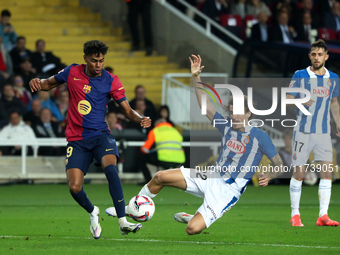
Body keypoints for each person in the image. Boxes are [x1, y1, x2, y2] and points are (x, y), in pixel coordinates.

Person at [106, 55, 284, 235]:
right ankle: (132, 207)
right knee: (160, 176)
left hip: (228, 191)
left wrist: (269, 175)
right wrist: (195, 76)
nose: (234, 116)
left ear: (248, 113)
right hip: (210, 175)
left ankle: (194, 218)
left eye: (238, 113)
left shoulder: (260, 136)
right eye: (231, 112)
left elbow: (279, 165)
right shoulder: (226, 126)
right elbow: (205, 106)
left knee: (192, 229)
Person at [29, 40, 151, 238]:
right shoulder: (71, 72)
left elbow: (127, 110)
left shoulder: (111, 80)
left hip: (101, 136)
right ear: (85, 58)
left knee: (111, 169)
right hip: (77, 140)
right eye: (94, 61)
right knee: (74, 187)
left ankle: (122, 221)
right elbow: (46, 84)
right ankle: (93, 211)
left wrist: (141, 119)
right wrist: (35, 81)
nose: (98, 65)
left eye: (101, 61)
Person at [287, 39, 339, 227]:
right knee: (299, 173)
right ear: (310, 56)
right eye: (314, 54)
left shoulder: (333, 78)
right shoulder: (300, 75)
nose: (317, 58)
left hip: (323, 133)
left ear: (326, 56)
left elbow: (334, 103)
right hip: (303, 131)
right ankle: (295, 215)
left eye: (320, 54)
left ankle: (323, 216)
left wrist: (339, 124)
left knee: (327, 173)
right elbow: (287, 99)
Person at [138, 118, 185, 183]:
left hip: (162, 159)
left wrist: (153, 151)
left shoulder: (155, 131)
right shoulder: (175, 131)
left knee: (141, 158)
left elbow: (145, 149)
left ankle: (148, 181)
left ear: (156, 124)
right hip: (179, 160)